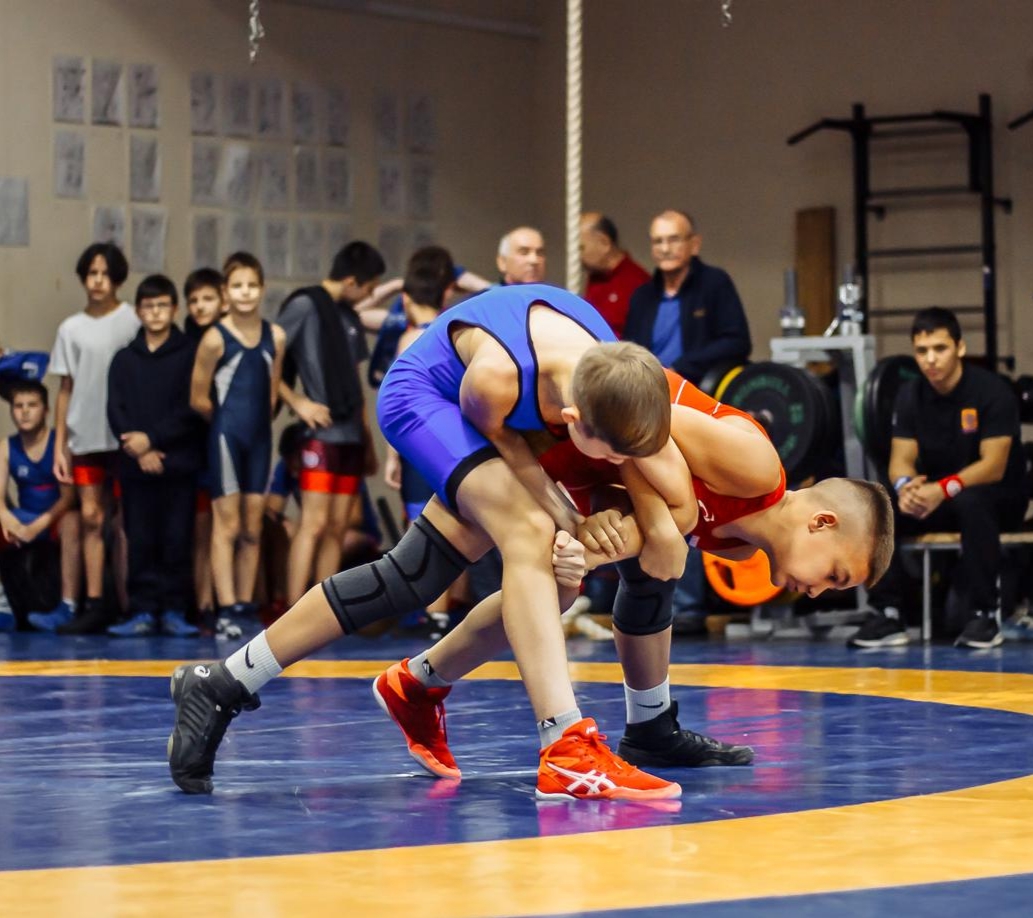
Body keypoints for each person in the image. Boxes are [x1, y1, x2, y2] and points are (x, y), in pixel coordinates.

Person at [168, 284, 684, 801]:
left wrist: (609, 524)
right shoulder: (499, 376)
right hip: (427, 396)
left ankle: (226, 682)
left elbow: (646, 477)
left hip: (515, 415)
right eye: (611, 456)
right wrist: (568, 517)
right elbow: (501, 436)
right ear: (571, 419)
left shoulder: (615, 375)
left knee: (414, 575)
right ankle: (564, 746)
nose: (618, 465)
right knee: (529, 531)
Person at [373, 369, 894, 777]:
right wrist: (656, 525)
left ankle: (649, 726)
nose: (819, 592)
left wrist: (605, 534)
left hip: (585, 460)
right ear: (822, 522)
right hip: (558, 419)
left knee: (624, 576)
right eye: (835, 575)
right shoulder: (756, 467)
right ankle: (411, 681)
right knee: (415, 574)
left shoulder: (738, 547)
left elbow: (638, 501)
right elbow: (641, 424)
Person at [847, 307, 1028, 650]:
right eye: (922, 351)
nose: (930, 359)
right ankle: (888, 614)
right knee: (878, 503)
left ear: (960, 347)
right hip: (938, 496)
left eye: (940, 348)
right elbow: (901, 459)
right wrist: (905, 488)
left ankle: (984, 615)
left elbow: (993, 466)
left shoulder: (992, 391)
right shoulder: (910, 394)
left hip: (997, 497)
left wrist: (942, 489)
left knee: (972, 502)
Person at [624, 210, 753, 636]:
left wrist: (681, 369)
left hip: (697, 404)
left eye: (674, 239)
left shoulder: (714, 285)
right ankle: (653, 598)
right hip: (646, 403)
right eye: (658, 241)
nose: (665, 248)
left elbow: (737, 341)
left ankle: (690, 607)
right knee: (648, 493)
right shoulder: (643, 297)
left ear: (693, 243)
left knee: (689, 497)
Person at [275, 242, 383, 607]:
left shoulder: (349, 316)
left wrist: (367, 440)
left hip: (350, 435)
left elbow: (354, 381)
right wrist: (297, 401)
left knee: (338, 527)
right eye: (369, 288)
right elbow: (266, 356)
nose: (369, 295)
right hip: (321, 436)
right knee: (314, 523)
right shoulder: (305, 304)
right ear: (351, 281)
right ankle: (292, 611)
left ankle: (320, 614)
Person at [104, 275, 207, 637]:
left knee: (177, 539)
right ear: (138, 311)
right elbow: (115, 409)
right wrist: (139, 448)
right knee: (140, 539)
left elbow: (192, 408)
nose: (156, 312)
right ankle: (142, 611)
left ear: (174, 309)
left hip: (177, 463)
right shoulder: (124, 359)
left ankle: (176, 611)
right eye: (148, 306)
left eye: (163, 305)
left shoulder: (191, 353)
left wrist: (154, 439)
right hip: (135, 465)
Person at [190, 252, 286, 639]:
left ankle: (245, 605)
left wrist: (253, 426)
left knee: (252, 526)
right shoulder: (215, 339)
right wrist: (225, 426)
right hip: (226, 437)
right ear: (225, 292)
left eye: (251, 285)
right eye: (237, 286)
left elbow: (273, 395)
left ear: (262, 290)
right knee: (226, 524)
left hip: (260, 439)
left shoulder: (276, 337)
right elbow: (198, 398)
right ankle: (226, 607)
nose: (245, 292)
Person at [47, 242, 139, 633]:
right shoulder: (70, 328)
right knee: (89, 517)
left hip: (124, 435)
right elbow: (65, 388)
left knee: (125, 521)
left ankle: (128, 605)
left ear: (116, 279)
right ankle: (94, 603)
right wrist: (60, 445)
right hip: (84, 435)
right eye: (92, 274)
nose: (98, 281)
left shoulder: (132, 320)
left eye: (105, 274)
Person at [0, 381, 76, 631]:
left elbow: (68, 498)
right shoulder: (6, 446)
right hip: (25, 516)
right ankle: (3, 604)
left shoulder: (59, 444)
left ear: (46, 410)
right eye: (18, 406)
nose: (24, 412)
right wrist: (9, 520)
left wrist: (36, 527)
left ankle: (68, 606)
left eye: (32, 405)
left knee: (74, 523)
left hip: (54, 519)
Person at [183, 268, 226, 631]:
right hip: (195, 448)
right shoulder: (187, 344)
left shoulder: (235, 337)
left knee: (234, 527)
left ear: (223, 300)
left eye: (207, 298)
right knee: (202, 529)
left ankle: (232, 604)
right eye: (193, 300)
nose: (200, 306)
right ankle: (204, 603)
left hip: (230, 445)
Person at [579, 212, 650, 338]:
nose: (577, 256)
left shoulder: (637, 283)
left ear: (604, 242)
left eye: (581, 248)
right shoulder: (595, 277)